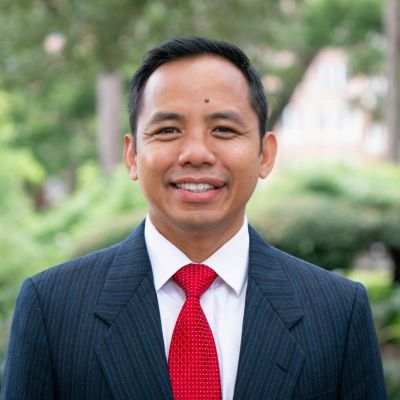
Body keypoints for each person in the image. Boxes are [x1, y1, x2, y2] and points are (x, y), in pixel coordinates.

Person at [1, 37, 387, 400]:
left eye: (223, 129)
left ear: (265, 154)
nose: (197, 153)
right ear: (133, 155)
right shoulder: (52, 309)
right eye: (168, 130)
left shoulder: (337, 312)